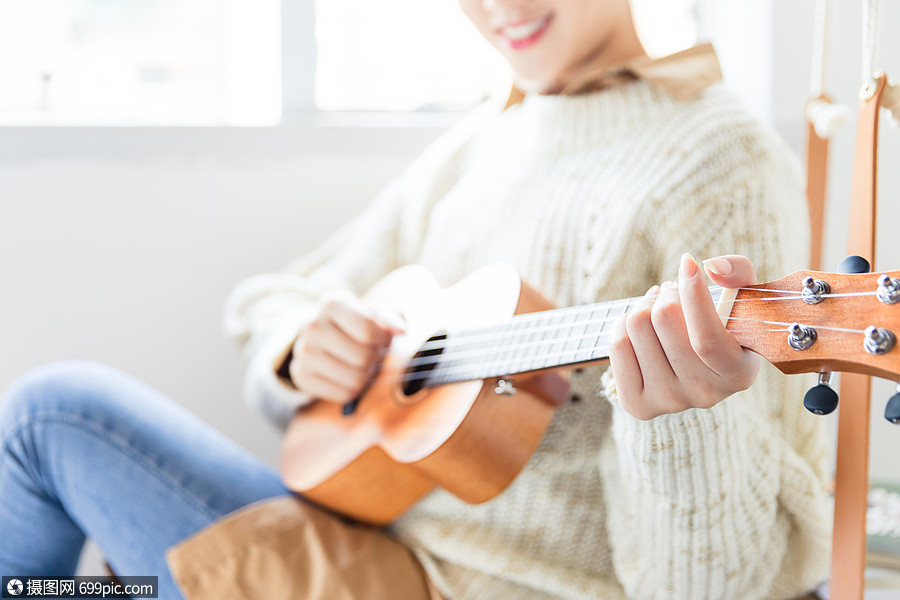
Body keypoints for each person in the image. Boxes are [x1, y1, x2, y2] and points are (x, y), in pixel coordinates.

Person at [0, 0, 831, 598]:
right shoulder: (489, 136)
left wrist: (684, 422)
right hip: (366, 534)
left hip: (470, 586)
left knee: (49, 418)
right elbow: (276, 294)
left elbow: (719, 586)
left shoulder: (720, 158)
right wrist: (298, 345)